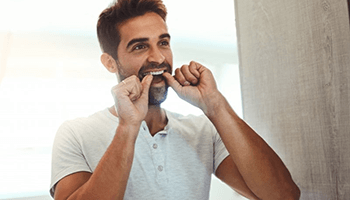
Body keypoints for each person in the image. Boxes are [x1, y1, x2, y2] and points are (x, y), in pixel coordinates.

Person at [50, 0, 300, 199]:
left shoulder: (202, 131)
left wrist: (215, 105)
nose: (158, 57)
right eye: (139, 47)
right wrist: (128, 127)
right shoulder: (75, 133)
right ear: (110, 62)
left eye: (163, 42)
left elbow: (283, 196)